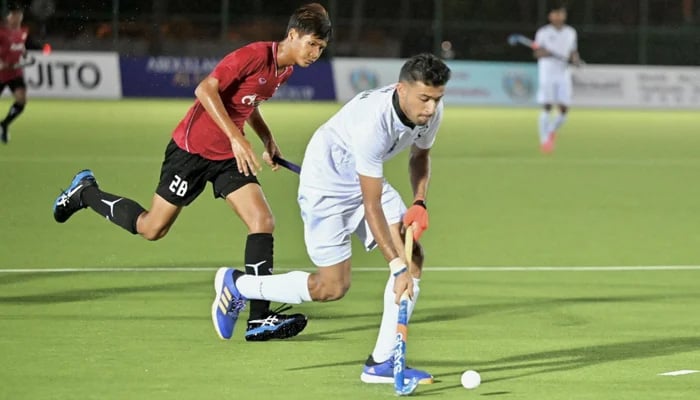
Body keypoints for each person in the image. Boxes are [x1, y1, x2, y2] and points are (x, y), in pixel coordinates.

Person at [52, 3, 332, 342]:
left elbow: (248, 103)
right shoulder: (255, 55)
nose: (315, 53)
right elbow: (205, 89)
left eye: (321, 48)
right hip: (191, 150)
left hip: (228, 156)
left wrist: (267, 139)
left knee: (262, 221)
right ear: (292, 35)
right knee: (152, 228)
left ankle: (259, 318)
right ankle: (85, 192)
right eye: (312, 44)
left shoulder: (284, 71)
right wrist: (235, 138)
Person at [212, 53, 451, 385]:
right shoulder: (374, 123)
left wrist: (419, 201)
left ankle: (380, 362)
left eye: (436, 99)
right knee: (332, 287)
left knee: (414, 257)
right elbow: (372, 207)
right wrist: (396, 268)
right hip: (325, 187)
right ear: (401, 89)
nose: (429, 108)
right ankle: (238, 286)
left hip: (363, 179)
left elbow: (420, 155)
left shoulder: (431, 113)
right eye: (424, 98)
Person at [533, 4, 581, 154]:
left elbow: (573, 51)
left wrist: (575, 60)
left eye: (560, 14)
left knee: (564, 109)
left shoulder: (571, 32)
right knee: (547, 105)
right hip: (547, 71)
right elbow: (536, 54)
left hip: (563, 72)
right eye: (555, 14)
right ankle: (544, 141)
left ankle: (551, 131)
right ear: (550, 16)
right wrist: (545, 53)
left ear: (564, 16)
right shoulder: (543, 32)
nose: (558, 16)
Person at [0, 4, 39, 144]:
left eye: (18, 16)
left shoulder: (23, 32)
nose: (15, 19)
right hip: (1, 74)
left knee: (21, 100)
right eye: (13, 16)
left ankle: (4, 124)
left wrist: (26, 55)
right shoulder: (2, 32)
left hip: (15, 73)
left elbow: (21, 47)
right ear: (8, 17)